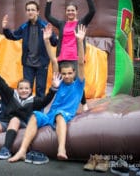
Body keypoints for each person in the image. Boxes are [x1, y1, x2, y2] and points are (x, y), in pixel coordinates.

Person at [8, 24, 87, 163]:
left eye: (69, 73)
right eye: (64, 74)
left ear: (74, 73)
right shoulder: (60, 81)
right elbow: (53, 60)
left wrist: (80, 41)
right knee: (35, 115)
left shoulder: (79, 84)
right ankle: (22, 151)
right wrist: (46, 40)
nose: (67, 76)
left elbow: (80, 63)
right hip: (51, 115)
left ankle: (61, 148)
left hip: (64, 115)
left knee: (60, 115)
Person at [0, 58, 62, 159]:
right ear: (17, 89)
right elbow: (1, 85)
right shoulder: (12, 95)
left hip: (21, 123)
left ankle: (6, 149)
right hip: (6, 121)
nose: (24, 90)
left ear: (30, 90)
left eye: (26, 88)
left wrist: (53, 88)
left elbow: (45, 101)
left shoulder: (34, 100)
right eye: (21, 88)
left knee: (15, 119)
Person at [45, 0, 96, 111]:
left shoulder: (81, 23)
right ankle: (63, 102)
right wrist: (49, 0)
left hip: (75, 57)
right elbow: (47, 16)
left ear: (77, 11)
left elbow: (92, 11)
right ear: (66, 12)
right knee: (62, 81)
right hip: (62, 56)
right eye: (68, 11)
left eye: (72, 10)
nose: (70, 12)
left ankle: (83, 103)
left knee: (77, 81)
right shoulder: (62, 24)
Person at [2, 0, 59, 98]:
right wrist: (5, 28)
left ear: (37, 12)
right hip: (28, 64)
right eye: (28, 10)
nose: (30, 12)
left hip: (42, 64)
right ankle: (28, 110)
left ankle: (38, 111)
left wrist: (55, 37)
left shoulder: (45, 25)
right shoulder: (24, 26)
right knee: (26, 89)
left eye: (33, 10)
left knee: (40, 89)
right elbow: (13, 36)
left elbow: (54, 42)